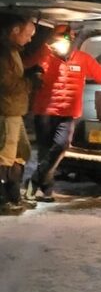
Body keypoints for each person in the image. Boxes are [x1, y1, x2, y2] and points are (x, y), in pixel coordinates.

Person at [25, 25, 101, 202]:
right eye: (57, 37)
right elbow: (26, 65)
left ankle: (34, 181)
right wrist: (42, 51)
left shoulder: (83, 59)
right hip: (45, 111)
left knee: (61, 146)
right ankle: (46, 191)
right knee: (45, 151)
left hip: (69, 113)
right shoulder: (46, 55)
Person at [0, 14, 40, 215]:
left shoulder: (12, 51)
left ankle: (13, 195)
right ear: (15, 30)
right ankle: (6, 198)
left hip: (14, 111)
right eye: (28, 34)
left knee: (22, 153)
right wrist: (31, 81)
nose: (30, 38)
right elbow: (7, 84)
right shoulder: (4, 53)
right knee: (5, 158)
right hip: (7, 112)